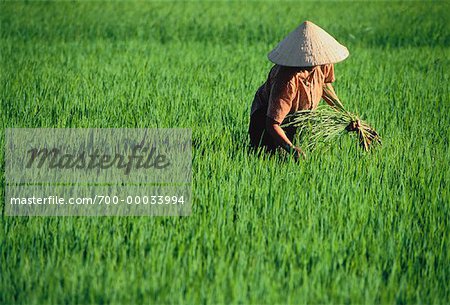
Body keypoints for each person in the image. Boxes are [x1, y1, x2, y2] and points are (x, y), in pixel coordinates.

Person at [249, 21, 349, 159]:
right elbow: (272, 124)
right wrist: (292, 149)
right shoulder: (287, 81)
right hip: (266, 119)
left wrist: (345, 115)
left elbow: (324, 85)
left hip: (298, 118)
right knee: (267, 158)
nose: (316, 62)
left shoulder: (323, 64)